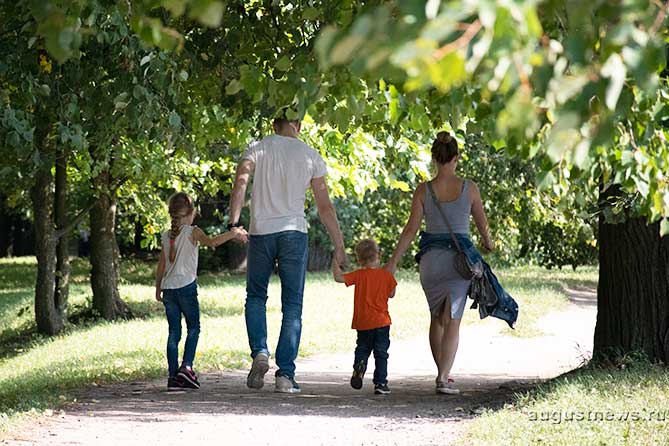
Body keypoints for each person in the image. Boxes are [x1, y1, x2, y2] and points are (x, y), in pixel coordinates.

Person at [229, 113, 346, 394]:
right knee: (292, 305)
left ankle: (260, 351)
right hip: (294, 232)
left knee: (256, 296)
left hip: (261, 232)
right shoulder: (310, 155)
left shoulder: (257, 147)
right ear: (300, 125)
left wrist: (234, 223)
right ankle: (285, 375)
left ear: (274, 123)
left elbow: (241, 182)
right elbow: (325, 207)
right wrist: (339, 245)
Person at [386, 131, 494, 395]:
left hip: (431, 262)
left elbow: (411, 229)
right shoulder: (470, 188)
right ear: (456, 158)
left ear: (434, 158)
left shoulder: (424, 190)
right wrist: (488, 243)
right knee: (453, 319)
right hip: (459, 262)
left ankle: (441, 373)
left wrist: (393, 261)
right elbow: (482, 223)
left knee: (437, 317)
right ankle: (443, 377)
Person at [155, 192, 248, 390]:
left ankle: (173, 377)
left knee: (173, 333)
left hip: (169, 290)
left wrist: (158, 289)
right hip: (186, 288)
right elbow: (212, 242)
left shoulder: (165, 236)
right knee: (194, 327)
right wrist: (233, 233)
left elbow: (161, 265)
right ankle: (186, 368)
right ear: (192, 213)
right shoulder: (192, 231)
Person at [333, 239, 397, 395]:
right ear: (378, 255)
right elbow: (392, 294)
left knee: (362, 348)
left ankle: (359, 368)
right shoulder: (386, 275)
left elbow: (339, 278)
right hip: (381, 322)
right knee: (381, 353)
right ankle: (381, 383)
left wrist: (335, 261)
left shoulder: (358, 275)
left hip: (363, 322)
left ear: (359, 260)